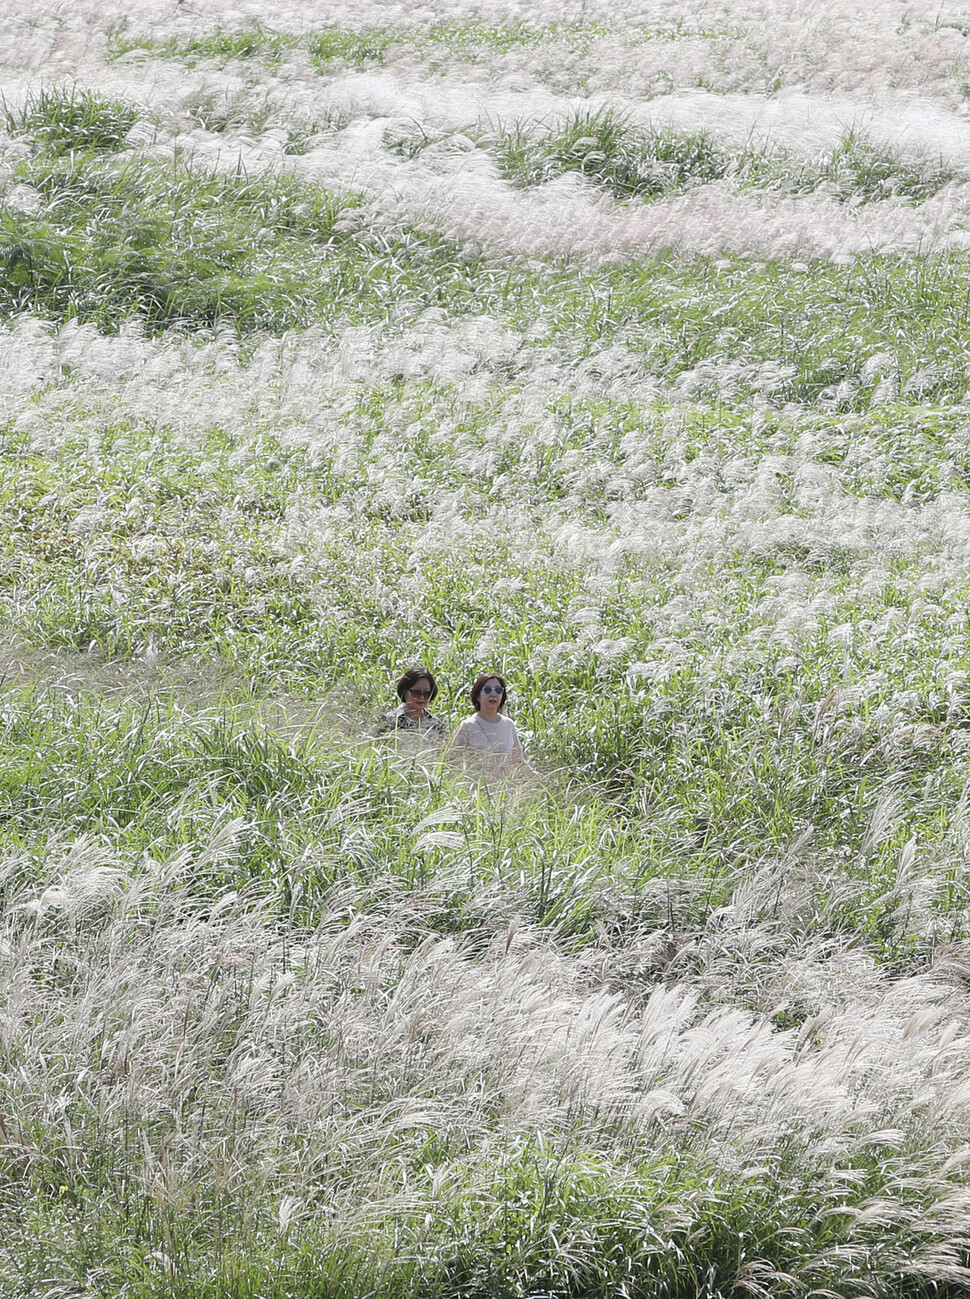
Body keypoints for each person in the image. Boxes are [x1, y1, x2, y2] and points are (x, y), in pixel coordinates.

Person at [450, 672, 538, 775]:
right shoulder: (468, 725)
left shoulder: (508, 725)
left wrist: (537, 776)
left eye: (498, 690)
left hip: (505, 788)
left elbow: (518, 761)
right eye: (487, 690)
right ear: (478, 696)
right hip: (476, 788)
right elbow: (451, 762)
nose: (493, 694)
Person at [375, 666, 446, 738]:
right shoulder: (389, 720)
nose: (422, 697)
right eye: (416, 692)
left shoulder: (436, 724)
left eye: (426, 693)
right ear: (404, 691)